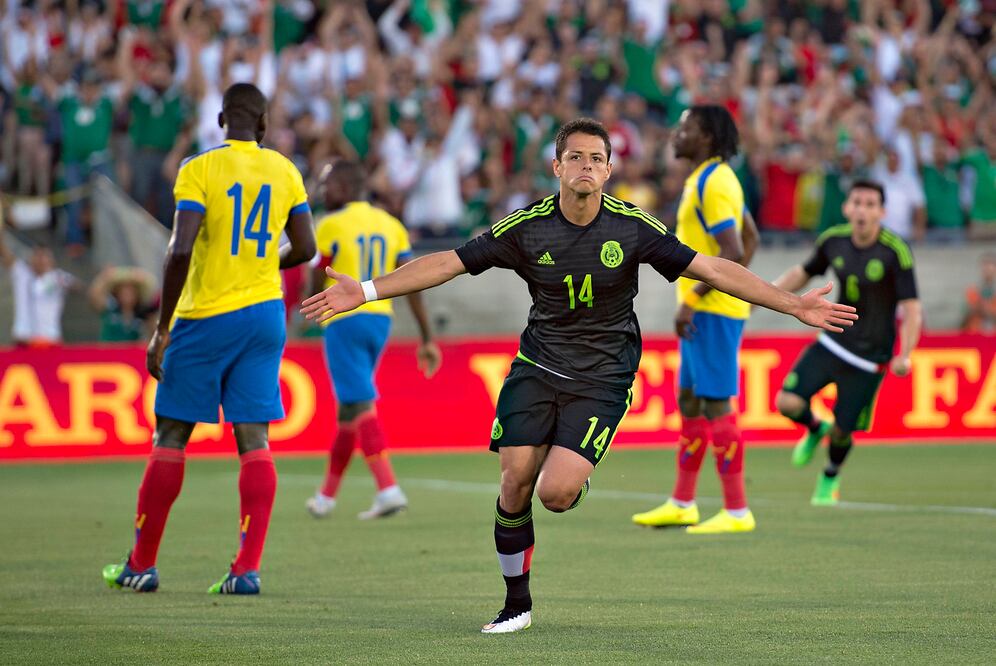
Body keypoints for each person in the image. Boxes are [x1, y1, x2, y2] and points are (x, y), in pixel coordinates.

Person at [302, 118, 857, 634]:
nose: (586, 166)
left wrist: (792, 305)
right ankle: (516, 602)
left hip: (603, 377)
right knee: (513, 481)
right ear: (557, 167)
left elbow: (712, 267)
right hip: (538, 367)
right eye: (575, 157)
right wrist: (368, 289)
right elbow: (449, 261)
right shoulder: (527, 227)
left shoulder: (634, 228)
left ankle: (573, 475)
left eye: (596, 158)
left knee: (556, 494)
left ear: (609, 170)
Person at [102, 82, 316, 594]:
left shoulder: (198, 169)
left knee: (172, 434)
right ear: (262, 124)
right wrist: (266, 263)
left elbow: (179, 250)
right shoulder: (285, 170)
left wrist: (161, 328)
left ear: (222, 120)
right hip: (265, 315)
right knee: (254, 439)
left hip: (207, 316)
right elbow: (306, 247)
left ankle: (141, 565)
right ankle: (245, 571)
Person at [631, 106, 761, 534]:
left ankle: (737, 510)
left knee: (716, 403)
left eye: (686, 127)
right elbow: (751, 236)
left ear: (706, 136)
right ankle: (683, 502)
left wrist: (699, 298)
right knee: (689, 399)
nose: (676, 133)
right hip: (709, 309)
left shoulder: (715, 182)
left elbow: (734, 250)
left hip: (710, 310)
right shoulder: (708, 178)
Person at [305, 159, 441, 520]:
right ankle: (326, 497)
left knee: (361, 403)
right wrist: (426, 336)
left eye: (329, 184)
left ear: (346, 188)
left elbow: (318, 272)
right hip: (380, 320)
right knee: (348, 409)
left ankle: (388, 488)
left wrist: (304, 310)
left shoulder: (330, 223)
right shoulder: (392, 225)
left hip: (343, 317)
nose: (324, 191)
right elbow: (413, 282)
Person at [773, 180, 921, 506]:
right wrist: (765, 297)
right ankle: (813, 428)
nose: (862, 210)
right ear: (847, 208)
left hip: (870, 358)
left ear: (881, 212)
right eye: (857, 202)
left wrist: (905, 354)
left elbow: (911, 309)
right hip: (833, 342)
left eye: (870, 204)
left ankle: (829, 477)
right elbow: (803, 272)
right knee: (787, 402)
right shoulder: (834, 240)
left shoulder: (895, 250)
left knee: (842, 431)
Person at [0, 206, 81, 347]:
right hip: (23, 338)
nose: (41, 259)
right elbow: (4, 252)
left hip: (50, 339)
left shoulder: (57, 277)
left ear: (52, 260)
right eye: (37, 255)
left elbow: (77, 286)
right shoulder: (21, 273)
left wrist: (62, 280)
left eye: (45, 256)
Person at [87, 266, 158, 342]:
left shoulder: (142, 314)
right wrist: (105, 277)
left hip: (132, 353)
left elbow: (154, 333)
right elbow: (94, 295)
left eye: (131, 291)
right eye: (123, 291)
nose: (127, 294)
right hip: (108, 351)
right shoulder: (109, 308)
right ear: (117, 293)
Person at [962, 253, 996, 333]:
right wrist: (976, 308)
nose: (987, 268)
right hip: (976, 333)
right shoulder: (972, 290)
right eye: (985, 265)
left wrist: (989, 310)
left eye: (990, 265)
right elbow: (965, 315)